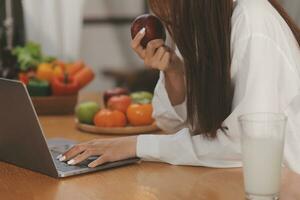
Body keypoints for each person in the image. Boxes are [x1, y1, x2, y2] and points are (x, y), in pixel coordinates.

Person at [58, 0, 300, 173]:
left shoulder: (252, 25)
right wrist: (174, 72)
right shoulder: (201, 25)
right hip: (233, 179)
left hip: (283, 183)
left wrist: (135, 145)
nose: (172, 30)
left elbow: (248, 146)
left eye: (172, 19)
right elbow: (172, 123)